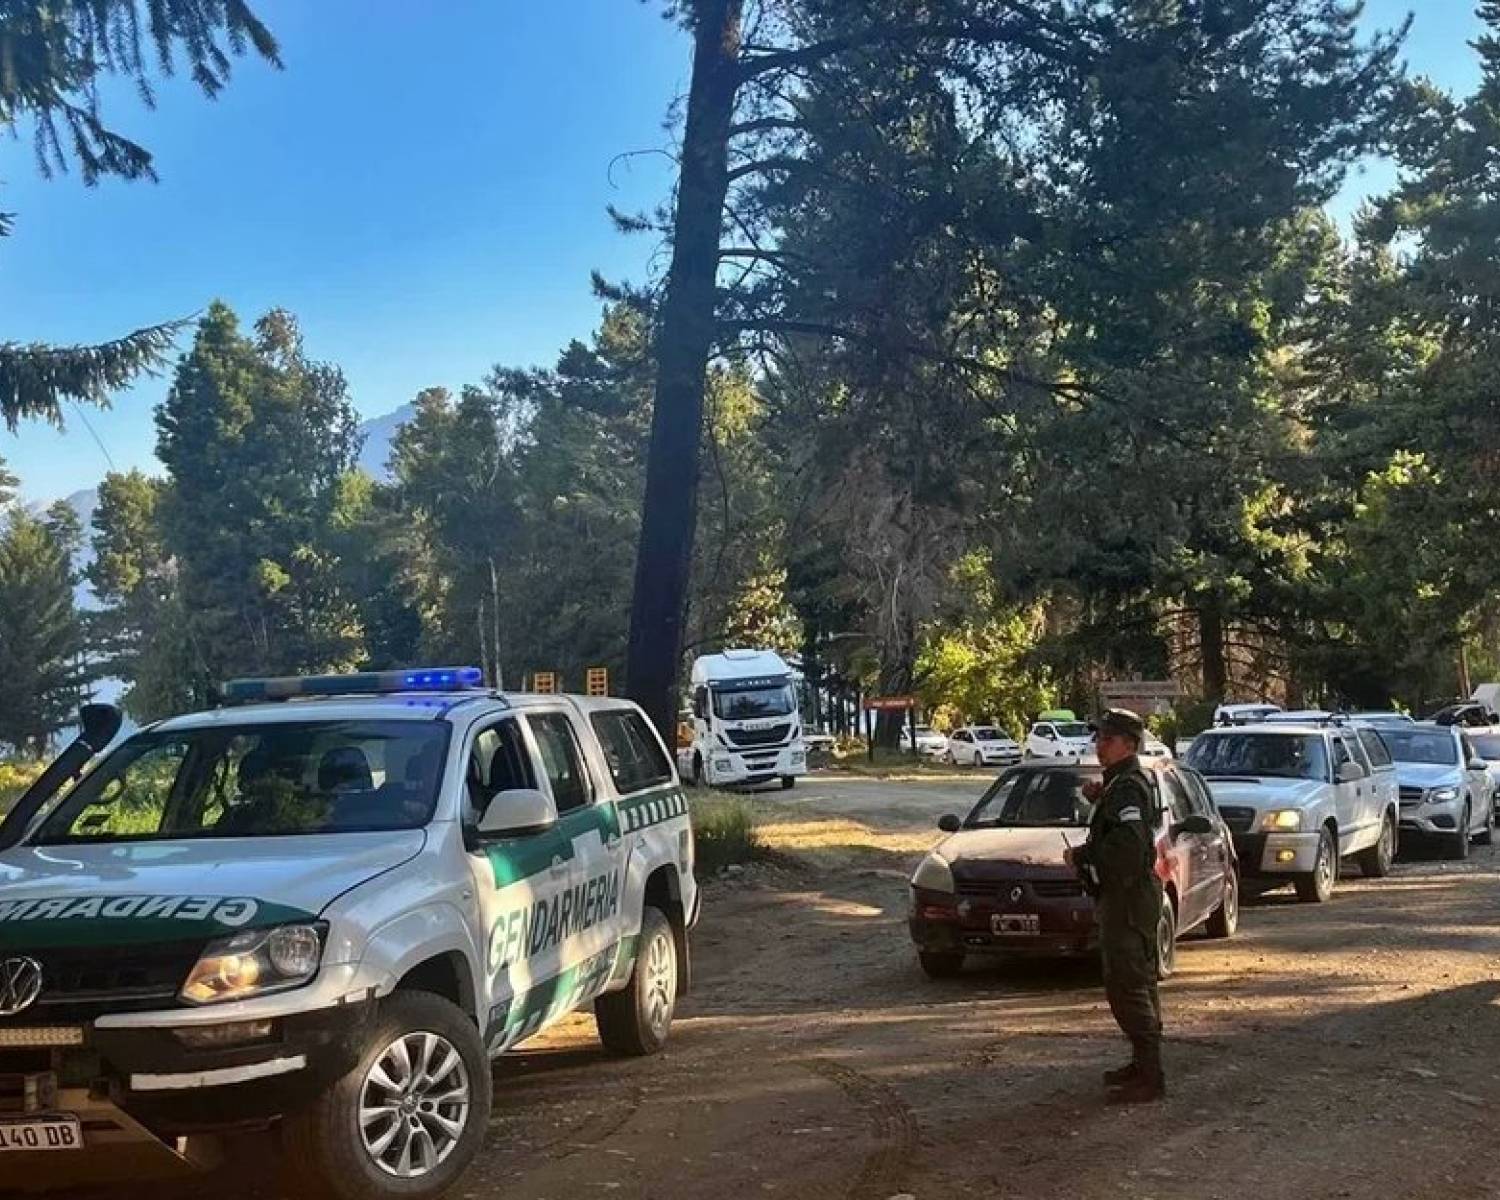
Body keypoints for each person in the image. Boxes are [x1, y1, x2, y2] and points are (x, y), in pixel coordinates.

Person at [1066, 708, 1166, 1103]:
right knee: (1132, 980)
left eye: (1107, 739)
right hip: (1125, 896)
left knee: (1128, 984)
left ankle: (1150, 1074)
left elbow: (1129, 846)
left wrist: (1086, 856)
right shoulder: (1119, 784)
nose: (1099, 746)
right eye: (1098, 739)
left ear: (1129, 744)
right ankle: (1143, 1064)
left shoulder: (1128, 786)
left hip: (1127, 897)